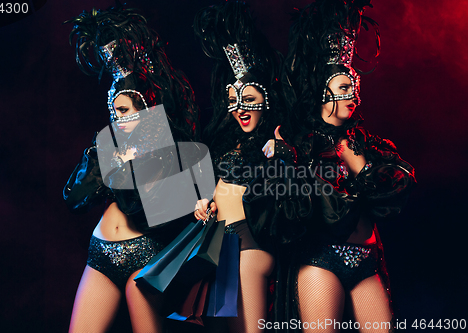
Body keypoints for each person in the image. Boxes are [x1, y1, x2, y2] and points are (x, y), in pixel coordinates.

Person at [265, 0, 416, 331]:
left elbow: (392, 194)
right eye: (346, 87)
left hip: (367, 260)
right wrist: (284, 158)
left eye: (355, 87)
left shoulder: (368, 144)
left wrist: (354, 158)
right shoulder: (303, 147)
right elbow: (291, 213)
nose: (355, 96)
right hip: (321, 260)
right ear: (324, 92)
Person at [63, 6, 199, 332]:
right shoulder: (108, 146)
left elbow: (147, 212)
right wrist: (102, 154)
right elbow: (74, 198)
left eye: (124, 110)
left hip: (146, 259)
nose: (117, 119)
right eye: (113, 111)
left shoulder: (169, 152)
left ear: (146, 109)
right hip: (101, 254)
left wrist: (131, 160)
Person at [192, 1, 296, 332]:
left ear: (268, 99)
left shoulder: (277, 141)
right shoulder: (224, 143)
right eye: (233, 100)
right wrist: (205, 200)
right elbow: (221, 184)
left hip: (251, 244)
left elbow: (290, 195)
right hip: (219, 243)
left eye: (249, 99)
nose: (240, 108)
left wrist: (284, 152)